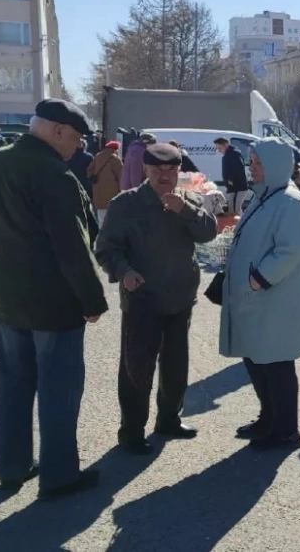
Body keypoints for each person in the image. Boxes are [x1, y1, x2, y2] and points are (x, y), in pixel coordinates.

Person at [0, 99, 107, 500]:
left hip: (10, 299)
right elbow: (72, 247)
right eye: (76, 138)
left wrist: (3, 272)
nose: (78, 147)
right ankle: (60, 475)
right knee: (59, 390)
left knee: (14, 384)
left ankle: (13, 467)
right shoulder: (54, 174)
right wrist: (93, 299)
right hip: (53, 305)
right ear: (57, 131)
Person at [96, 143, 218, 455]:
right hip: (142, 300)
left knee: (176, 366)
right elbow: (107, 248)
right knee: (137, 367)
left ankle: (169, 419)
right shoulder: (126, 204)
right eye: (158, 170)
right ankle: (132, 430)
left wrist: (186, 210)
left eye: (171, 170)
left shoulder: (187, 199)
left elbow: (208, 233)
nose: (165, 176)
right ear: (145, 170)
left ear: (179, 171)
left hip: (179, 299)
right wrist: (123, 272)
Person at [219, 138, 300, 451]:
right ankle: (268, 418)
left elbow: (291, 250)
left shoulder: (289, 201)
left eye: (258, 163)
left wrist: (259, 278)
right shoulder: (262, 196)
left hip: (276, 301)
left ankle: (286, 431)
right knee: (257, 360)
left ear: (275, 165)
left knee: (277, 366)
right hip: (257, 300)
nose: (252, 168)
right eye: (252, 162)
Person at [87, 141, 124, 225]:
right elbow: (121, 176)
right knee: (113, 221)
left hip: (98, 194)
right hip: (112, 195)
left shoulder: (98, 156)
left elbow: (89, 171)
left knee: (101, 220)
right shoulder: (114, 158)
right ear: (115, 149)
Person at [215, 137, 249, 215]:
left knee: (236, 210)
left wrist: (231, 180)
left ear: (226, 145)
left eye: (220, 148)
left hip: (238, 187)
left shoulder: (234, 154)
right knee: (232, 210)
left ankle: (240, 224)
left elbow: (239, 169)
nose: (219, 151)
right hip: (232, 187)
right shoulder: (228, 155)